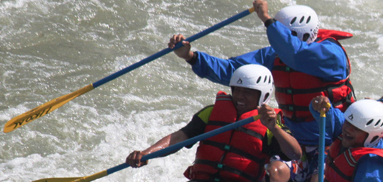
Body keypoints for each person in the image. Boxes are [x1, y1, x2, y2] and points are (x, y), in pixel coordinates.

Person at [168, 0, 355, 180]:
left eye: (282, 35)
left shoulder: (332, 55)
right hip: (293, 141)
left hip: (330, 140)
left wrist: (266, 19)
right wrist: (191, 56)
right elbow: (233, 71)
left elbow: (297, 55)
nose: (277, 41)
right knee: (273, 171)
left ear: (303, 35)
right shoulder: (275, 55)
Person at [125, 64, 303, 182]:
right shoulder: (212, 112)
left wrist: (274, 128)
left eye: (248, 92)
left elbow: (295, 154)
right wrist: (146, 154)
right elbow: (180, 137)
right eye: (237, 90)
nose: (240, 97)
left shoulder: (271, 122)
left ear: (263, 95)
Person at [310, 97, 383, 182]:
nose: (347, 129)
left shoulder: (372, 171)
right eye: (348, 122)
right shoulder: (349, 131)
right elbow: (333, 118)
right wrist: (321, 106)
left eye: (356, 128)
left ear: (372, 135)